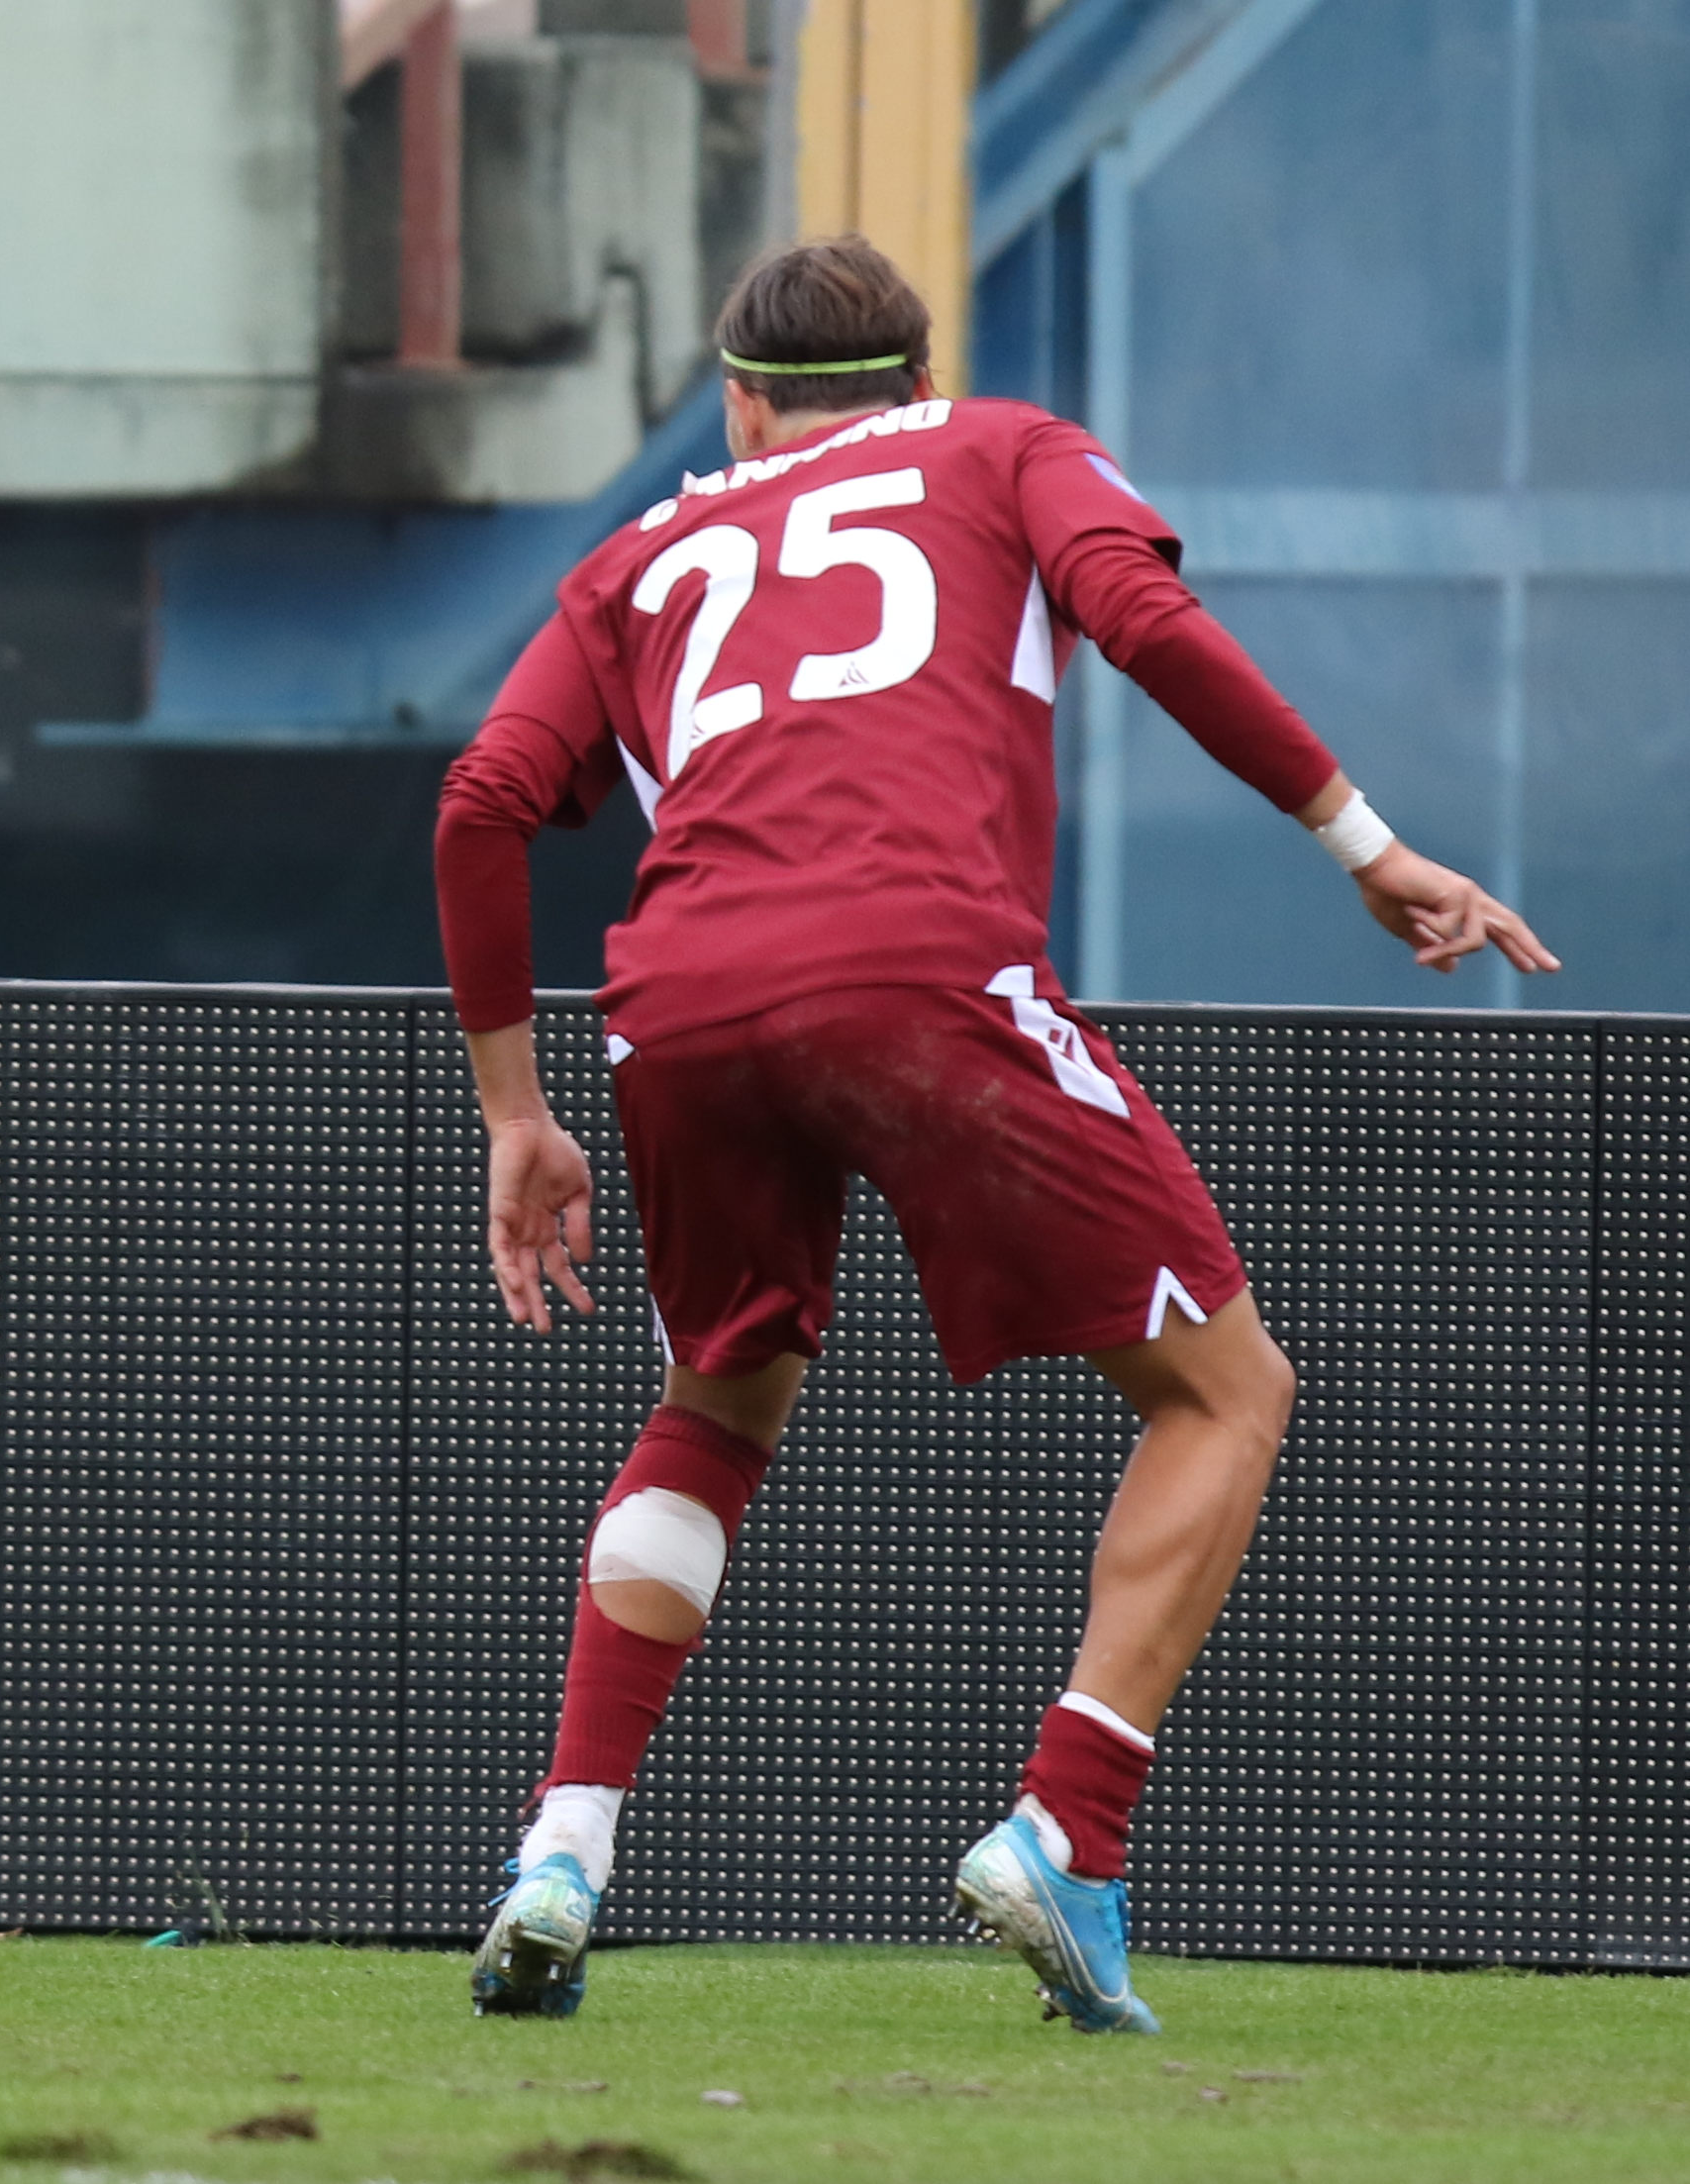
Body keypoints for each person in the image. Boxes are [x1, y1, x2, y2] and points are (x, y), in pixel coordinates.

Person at [436, 236, 1556, 2031]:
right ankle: (1069, 1830)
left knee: (716, 1403)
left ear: (736, 401)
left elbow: (482, 801)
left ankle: (560, 1851)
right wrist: (1366, 846)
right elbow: (1150, 620)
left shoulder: (635, 555)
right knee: (1226, 1388)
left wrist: (513, 1112)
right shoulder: (1003, 446)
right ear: (914, 380)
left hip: (680, 1001)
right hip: (916, 972)